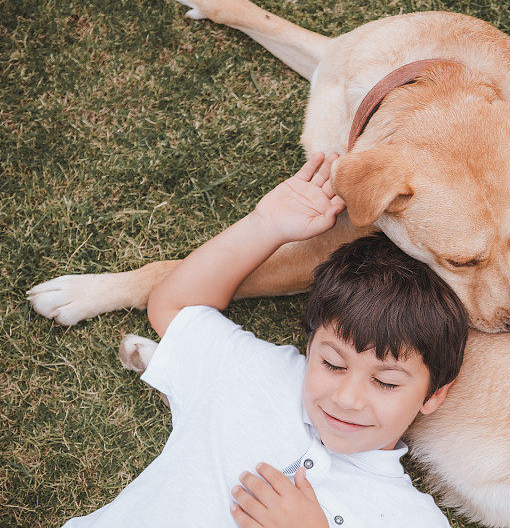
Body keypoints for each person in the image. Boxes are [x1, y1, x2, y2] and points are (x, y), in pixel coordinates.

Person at [62, 153, 468, 527]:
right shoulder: (256, 372)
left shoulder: (414, 519)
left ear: (434, 395)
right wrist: (264, 226)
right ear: (310, 350)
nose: (347, 398)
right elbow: (175, 307)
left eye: (386, 381)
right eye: (332, 364)